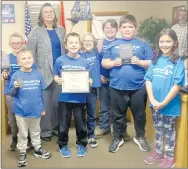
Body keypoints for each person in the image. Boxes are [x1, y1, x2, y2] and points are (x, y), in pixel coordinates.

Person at [102, 14, 153, 153]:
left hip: (138, 87)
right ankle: (117, 138)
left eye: (130, 26)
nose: (127, 29)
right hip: (116, 87)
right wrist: (113, 62)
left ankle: (140, 137)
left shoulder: (143, 45)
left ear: (135, 29)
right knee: (118, 115)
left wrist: (140, 62)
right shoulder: (112, 45)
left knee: (140, 115)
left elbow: (152, 62)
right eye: (124, 27)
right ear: (120, 29)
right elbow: (104, 63)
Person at [144, 28, 185, 168]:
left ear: (175, 43)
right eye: (162, 41)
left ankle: (169, 156)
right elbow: (148, 80)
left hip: (169, 106)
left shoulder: (178, 62)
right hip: (155, 105)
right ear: (158, 43)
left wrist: (163, 103)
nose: (165, 44)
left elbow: (177, 86)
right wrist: (153, 100)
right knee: (158, 129)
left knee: (169, 131)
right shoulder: (155, 60)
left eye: (168, 41)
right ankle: (158, 152)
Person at [27, 3, 66, 141]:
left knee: (57, 103)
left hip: (59, 73)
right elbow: (30, 54)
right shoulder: (35, 31)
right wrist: (33, 73)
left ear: (54, 14)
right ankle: (45, 131)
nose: (49, 14)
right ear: (41, 15)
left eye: (51, 11)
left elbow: (65, 50)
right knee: (45, 104)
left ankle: (55, 128)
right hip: (42, 73)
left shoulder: (61, 30)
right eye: (46, 12)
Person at [8, 49, 51, 167]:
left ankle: (37, 148)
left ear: (33, 59)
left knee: (36, 131)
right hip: (21, 111)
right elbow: (11, 93)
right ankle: (22, 151)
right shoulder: (16, 75)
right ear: (18, 61)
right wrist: (15, 87)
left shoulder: (38, 74)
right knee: (22, 133)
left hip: (36, 109)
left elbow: (42, 92)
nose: (27, 60)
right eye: (24, 58)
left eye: (29, 58)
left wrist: (42, 107)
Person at [54, 32, 91, 158]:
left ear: (80, 45)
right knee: (63, 124)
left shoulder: (84, 62)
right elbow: (55, 75)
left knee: (81, 123)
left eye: (76, 42)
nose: (73, 45)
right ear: (66, 45)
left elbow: (87, 78)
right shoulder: (60, 60)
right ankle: (63, 145)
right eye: (70, 42)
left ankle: (81, 144)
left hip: (80, 98)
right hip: (64, 98)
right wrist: (57, 79)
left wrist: (89, 81)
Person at [2, 32, 32, 151]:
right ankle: (15, 138)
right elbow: (2, 73)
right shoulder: (5, 59)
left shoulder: (27, 56)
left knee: (27, 116)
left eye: (18, 43)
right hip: (11, 93)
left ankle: (28, 138)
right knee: (13, 118)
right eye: (13, 43)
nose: (16, 45)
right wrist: (3, 75)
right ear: (9, 44)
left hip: (26, 92)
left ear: (23, 43)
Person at [80, 32, 101, 148]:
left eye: (90, 41)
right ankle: (82, 135)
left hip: (92, 89)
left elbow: (101, 39)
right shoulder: (78, 54)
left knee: (92, 113)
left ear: (94, 43)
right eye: (85, 41)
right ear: (82, 43)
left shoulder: (96, 52)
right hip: (80, 89)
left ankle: (91, 135)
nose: (88, 43)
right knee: (81, 114)